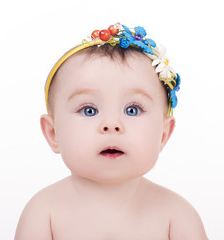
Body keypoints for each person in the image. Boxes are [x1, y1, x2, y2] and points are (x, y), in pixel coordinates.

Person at [15, 23, 208, 240]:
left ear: (163, 134)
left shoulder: (177, 216)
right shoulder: (43, 213)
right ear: (53, 134)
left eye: (132, 110)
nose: (111, 124)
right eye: (89, 110)